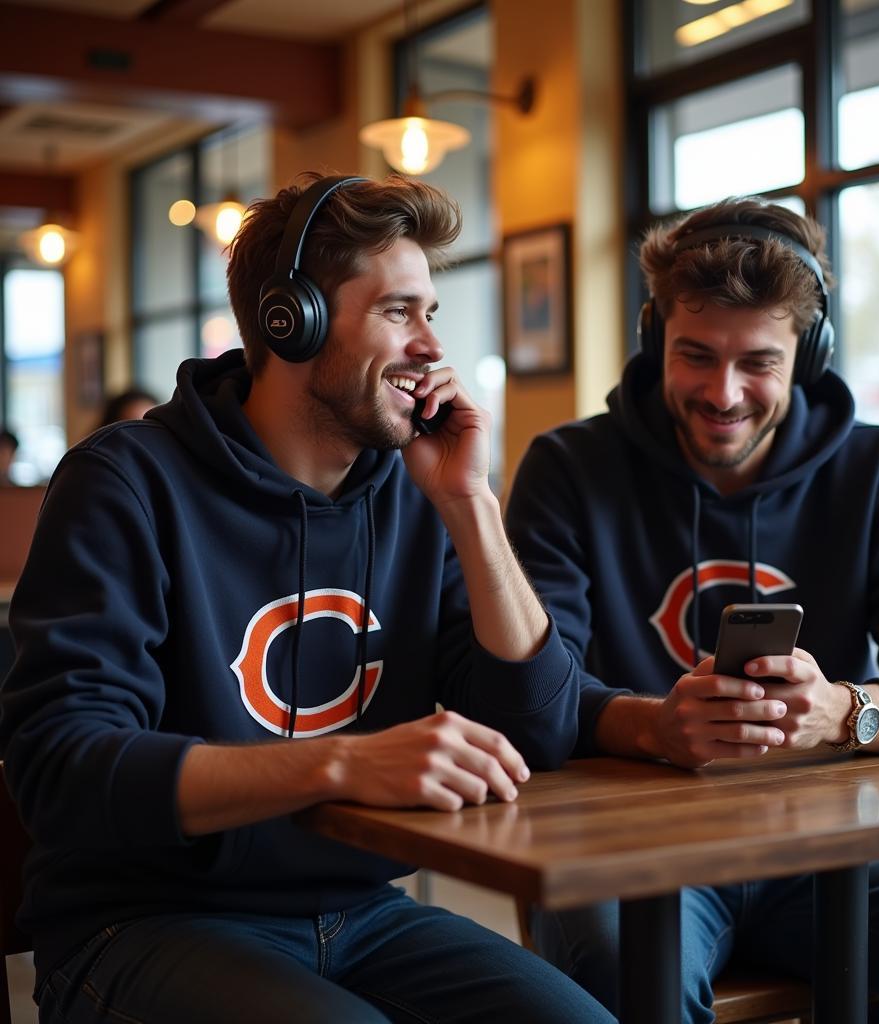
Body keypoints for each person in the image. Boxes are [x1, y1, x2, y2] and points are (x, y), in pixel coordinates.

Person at [0, 173, 614, 1024]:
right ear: (292, 321)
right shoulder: (125, 482)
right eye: (399, 312)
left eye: (430, 313)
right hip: (140, 923)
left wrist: (470, 504)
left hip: (363, 916)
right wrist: (346, 762)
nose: (432, 347)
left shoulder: (413, 490)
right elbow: (62, 768)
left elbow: (538, 731)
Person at [505, 196, 879, 1022]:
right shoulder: (569, 470)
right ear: (654, 339)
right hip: (628, 849)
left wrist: (844, 712)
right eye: (696, 355)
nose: (725, 392)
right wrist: (651, 726)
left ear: (807, 355)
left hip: (827, 844)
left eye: (759, 362)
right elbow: (529, 696)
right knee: (634, 979)